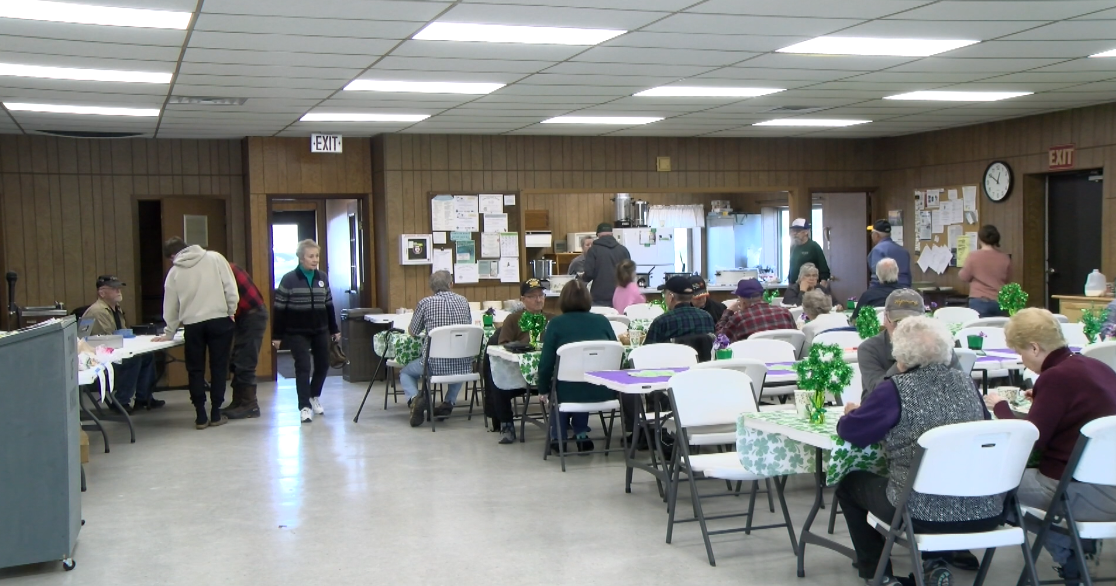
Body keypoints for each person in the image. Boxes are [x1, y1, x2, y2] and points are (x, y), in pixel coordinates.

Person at [837, 316, 999, 585]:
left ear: (899, 353)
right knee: (940, 480)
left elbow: (851, 433)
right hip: (983, 508)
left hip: (919, 513)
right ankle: (934, 564)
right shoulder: (966, 383)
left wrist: (852, 414)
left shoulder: (894, 390)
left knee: (849, 483)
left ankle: (878, 573)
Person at [985, 308, 1116, 582]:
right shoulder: (1096, 366)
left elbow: (1031, 441)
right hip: (1109, 483)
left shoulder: (1055, 378)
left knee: (990, 487)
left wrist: (1001, 408)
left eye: (1020, 353)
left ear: (1035, 347)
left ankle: (1069, 554)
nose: (1021, 360)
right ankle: (1081, 547)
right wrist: (1044, 400)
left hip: (1075, 490)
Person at [155, 237, 238, 430]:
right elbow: (230, 288)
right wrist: (231, 311)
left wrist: (169, 331)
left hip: (193, 325)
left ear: (173, 256)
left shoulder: (174, 272)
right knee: (218, 367)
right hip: (219, 320)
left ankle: (200, 415)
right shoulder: (215, 258)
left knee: (195, 370)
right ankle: (216, 412)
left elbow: (171, 306)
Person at [536, 280, 617, 454]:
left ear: (563, 300)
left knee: (562, 384)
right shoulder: (602, 321)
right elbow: (617, 354)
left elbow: (546, 364)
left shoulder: (556, 324)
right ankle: (580, 433)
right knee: (585, 377)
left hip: (567, 392)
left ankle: (558, 437)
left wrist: (542, 389)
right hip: (603, 390)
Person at [271, 239, 339, 425]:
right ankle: (304, 407)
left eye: (317, 256)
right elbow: (279, 309)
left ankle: (313, 395)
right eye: (311, 256)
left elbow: (329, 305)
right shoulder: (289, 279)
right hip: (297, 332)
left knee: (323, 364)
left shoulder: (322, 278)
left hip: (320, 330)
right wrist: (277, 336)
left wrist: (334, 329)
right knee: (303, 368)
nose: (315, 259)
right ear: (301, 258)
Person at [858, 289, 962, 396]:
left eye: (912, 325)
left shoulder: (936, 345)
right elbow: (877, 393)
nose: (903, 330)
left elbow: (960, 386)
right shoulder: (870, 349)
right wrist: (901, 364)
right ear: (885, 319)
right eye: (898, 322)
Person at [81, 275, 163, 413]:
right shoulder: (97, 311)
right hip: (98, 355)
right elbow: (108, 337)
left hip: (114, 349)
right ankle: (121, 401)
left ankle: (144, 398)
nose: (119, 291)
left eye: (119, 288)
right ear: (102, 293)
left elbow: (121, 333)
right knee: (133, 360)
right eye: (114, 289)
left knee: (146, 356)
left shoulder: (115, 308)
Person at [403, 270, 473, 428]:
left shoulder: (425, 303)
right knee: (459, 361)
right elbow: (468, 327)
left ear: (431, 288)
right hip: (463, 365)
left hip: (433, 366)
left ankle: (415, 400)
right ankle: (449, 401)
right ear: (451, 284)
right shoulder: (463, 301)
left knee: (406, 372)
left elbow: (413, 332)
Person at [493, 279, 557, 444]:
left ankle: (563, 423)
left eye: (541, 295)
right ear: (522, 299)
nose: (538, 299)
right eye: (533, 296)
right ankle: (506, 424)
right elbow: (502, 346)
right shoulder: (513, 319)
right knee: (499, 382)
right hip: (518, 374)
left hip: (547, 374)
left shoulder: (552, 319)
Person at [223, 262, 268, 420]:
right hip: (245, 315)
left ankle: (250, 405)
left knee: (245, 361)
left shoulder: (223, 270)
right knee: (237, 359)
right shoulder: (224, 267)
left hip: (253, 315)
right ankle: (238, 402)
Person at [715, 278, 797, 343]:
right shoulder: (785, 313)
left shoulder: (739, 318)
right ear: (762, 297)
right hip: (785, 360)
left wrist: (729, 311)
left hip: (752, 362)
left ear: (742, 301)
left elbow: (720, 339)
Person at [958, 225, 1012, 318]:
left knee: (980, 331)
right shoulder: (1005, 258)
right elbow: (1008, 280)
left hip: (979, 301)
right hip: (1000, 302)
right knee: (999, 330)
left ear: (980, 239)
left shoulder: (973, 256)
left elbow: (964, 277)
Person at [645, 276, 714, 345]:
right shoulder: (707, 317)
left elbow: (646, 351)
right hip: (702, 356)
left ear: (670, 297)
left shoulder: (661, 322)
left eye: (664, 294)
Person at [580, 222, 631, 306]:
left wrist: (582, 277)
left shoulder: (593, 250)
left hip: (599, 297)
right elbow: (629, 275)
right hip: (621, 296)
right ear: (611, 234)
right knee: (619, 319)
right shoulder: (623, 250)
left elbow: (589, 274)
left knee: (600, 318)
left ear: (598, 235)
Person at [867, 220, 912, 287]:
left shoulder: (878, 250)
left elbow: (876, 278)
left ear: (876, 235)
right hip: (904, 291)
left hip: (884, 292)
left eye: (872, 233)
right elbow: (908, 276)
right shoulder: (904, 251)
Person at [787, 218, 830, 285]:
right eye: (793, 231)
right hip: (794, 286)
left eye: (798, 231)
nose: (794, 233)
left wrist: (823, 283)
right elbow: (792, 267)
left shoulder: (814, 246)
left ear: (806, 231)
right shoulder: (793, 247)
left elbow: (823, 267)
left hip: (810, 286)